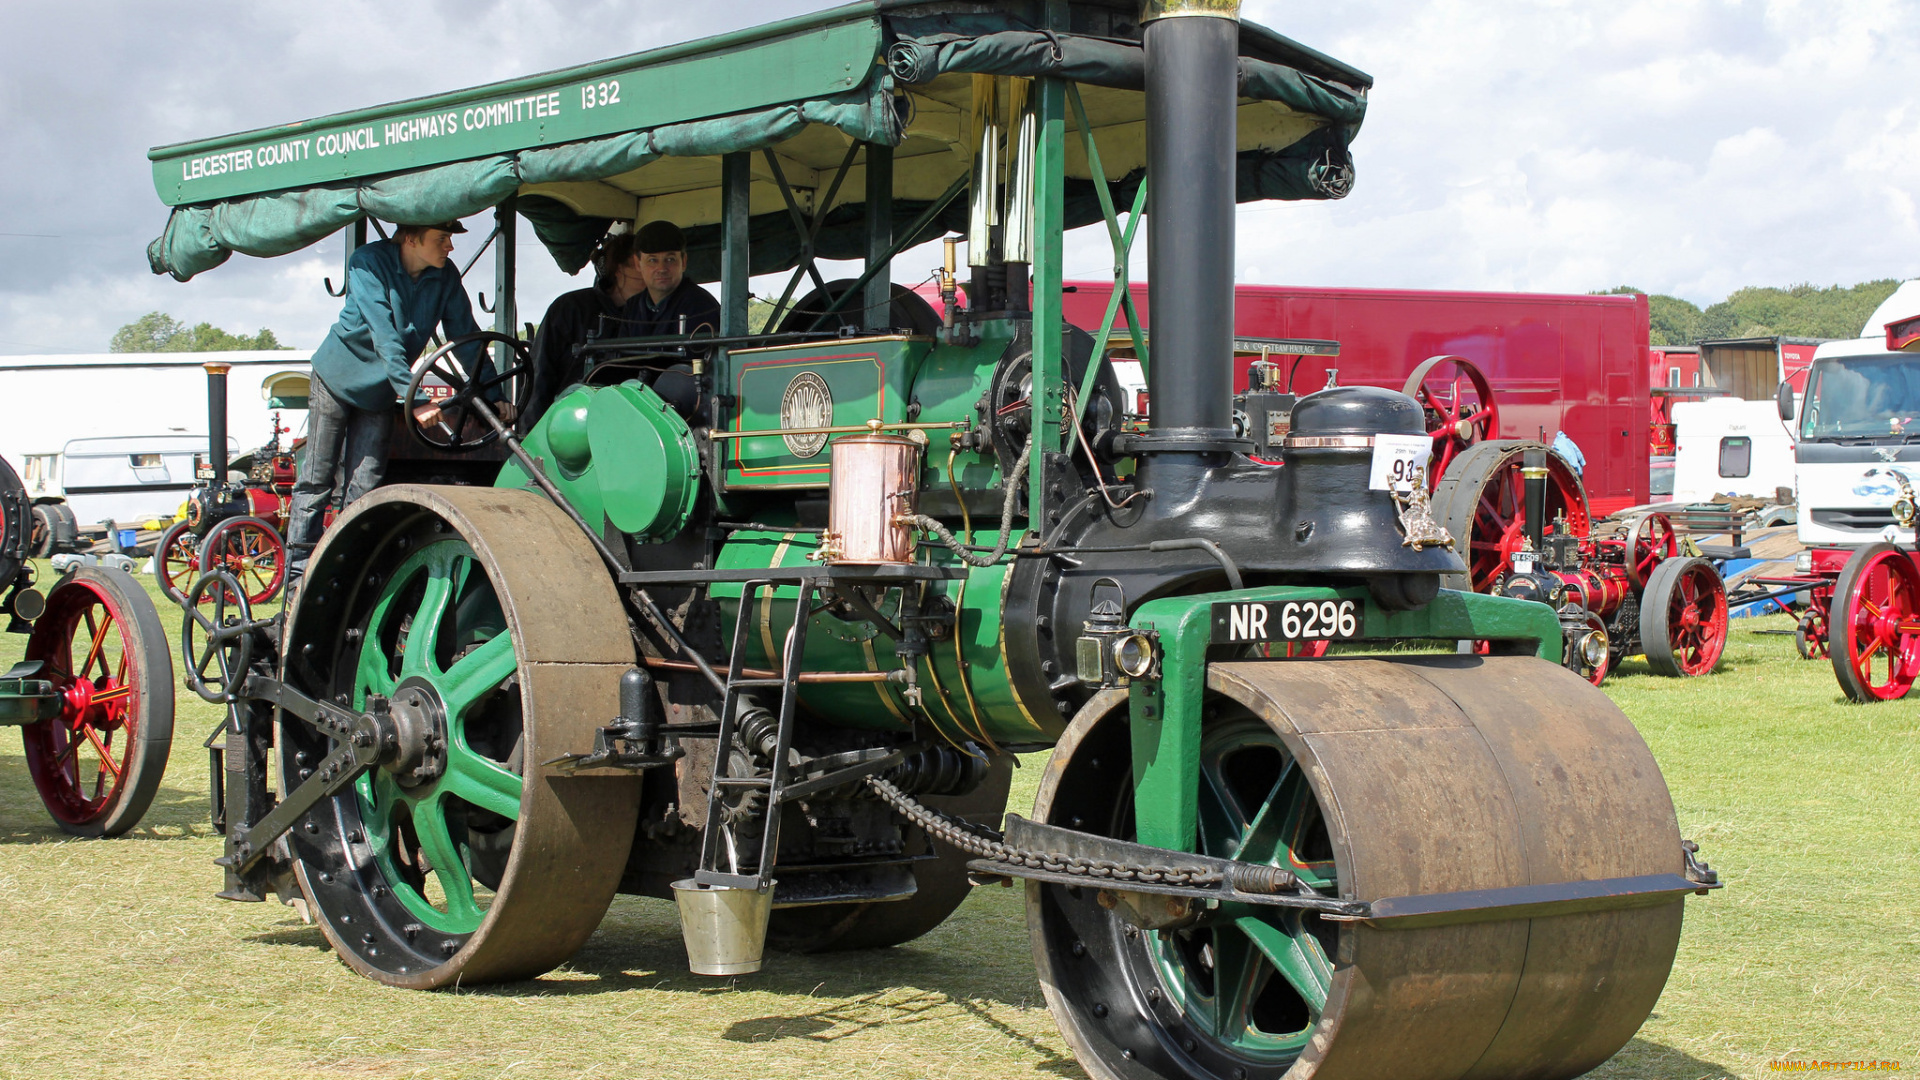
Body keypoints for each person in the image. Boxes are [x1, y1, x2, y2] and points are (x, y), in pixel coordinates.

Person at [285, 220, 503, 590]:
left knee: (366, 486)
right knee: (316, 480)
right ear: (412, 238)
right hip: (337, 378)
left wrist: (495, 397)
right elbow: (385, 336)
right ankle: (296, 578)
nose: (450, 247)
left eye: (450, 239)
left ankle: (347, 574)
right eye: (442, 238)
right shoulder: (367, 263)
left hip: (381, 390)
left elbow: (465, 337)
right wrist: (414, 398)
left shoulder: (444, 275)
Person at [519, 229, 649, 432]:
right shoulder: (570, 309)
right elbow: (540, 375)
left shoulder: (653, 315)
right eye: (642, 264)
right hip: (570, 425)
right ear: (619, 269)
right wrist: (530, 437)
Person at [620, 219, 720, 338]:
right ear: (638, 263)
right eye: (652, 260)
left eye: (670, 259)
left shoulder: (700, 306)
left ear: (683, 262)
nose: (661, 268)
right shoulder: (633, 307)